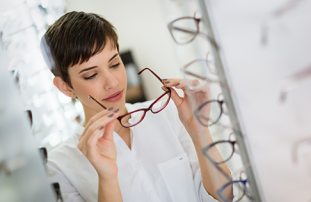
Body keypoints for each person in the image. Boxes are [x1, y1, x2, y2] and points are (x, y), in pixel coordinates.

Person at [41, 11, 233, 202]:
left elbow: (224, 196)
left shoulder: (169, 114)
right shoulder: (60, 167)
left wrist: (199, 132)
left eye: (115, 64)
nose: (113, 83)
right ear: (66, 87)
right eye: (91, 75)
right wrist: (107, 179)